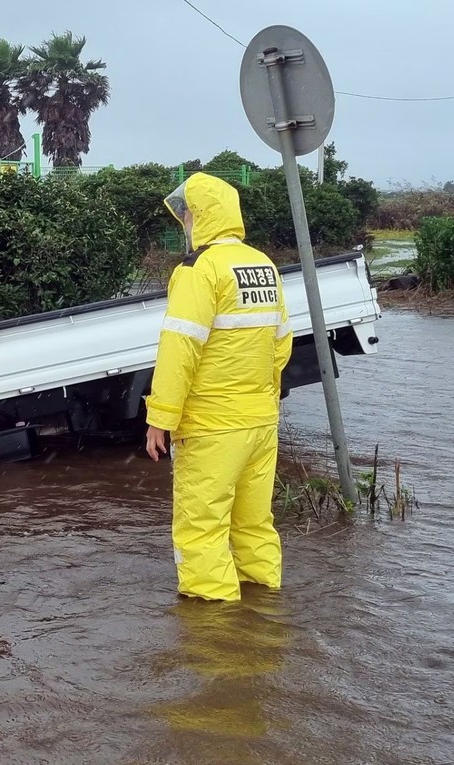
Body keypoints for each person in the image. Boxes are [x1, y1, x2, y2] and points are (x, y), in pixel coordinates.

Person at [144, 172, 293, 602]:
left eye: (187, 214)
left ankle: (217, 640)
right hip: (261, 423)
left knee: (202, 529)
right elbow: (281, 345)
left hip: (212, 426)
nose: (185, 223)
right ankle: (265, 614)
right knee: (254, 524)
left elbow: (178, 352)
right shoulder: (262, 264)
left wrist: (160, 420)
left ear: (199, 215)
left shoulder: (198, 270)